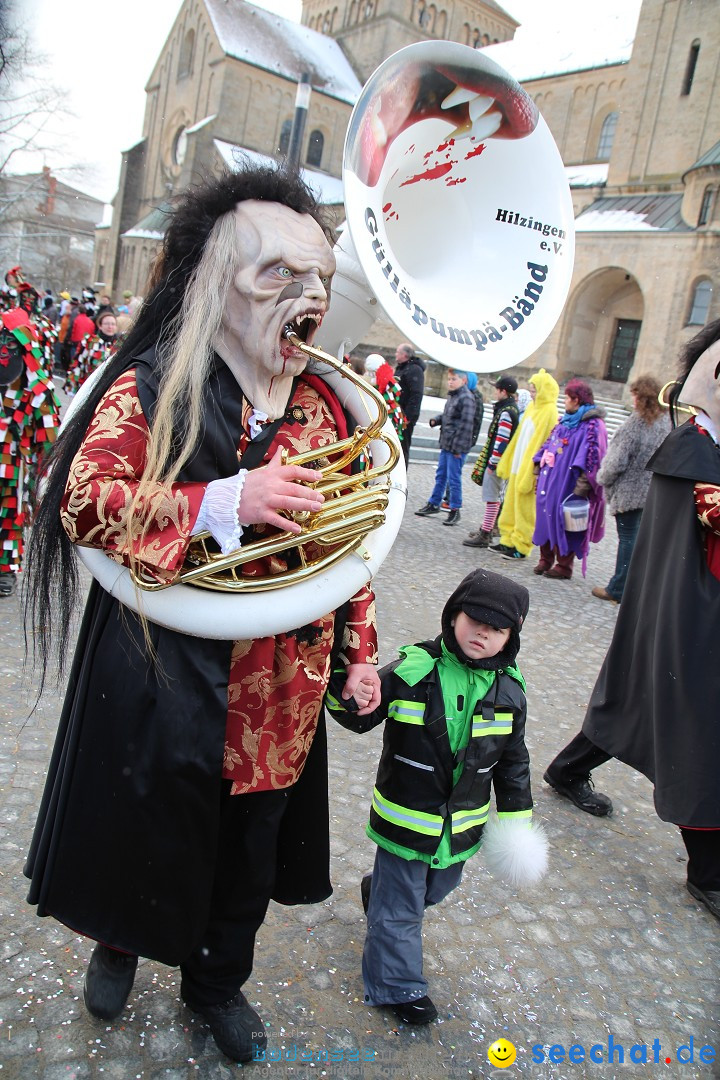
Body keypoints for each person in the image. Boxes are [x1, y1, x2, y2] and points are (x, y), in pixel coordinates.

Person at [23, 163, 382, 1063]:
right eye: (279, 277)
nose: (308, 299)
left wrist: (359, 658)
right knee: (143, 818)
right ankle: (118, 943)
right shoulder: (153, 381)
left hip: (279, 690)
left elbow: (353, 546)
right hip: (162, 670)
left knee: (245, 850)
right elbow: (82, 497)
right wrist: (222, 499)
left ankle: (217, 983)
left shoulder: (330, 408)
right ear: (214, 281)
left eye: (320, 282)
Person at [544, 319, 720, 921]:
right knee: (697, 737)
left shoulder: (703, 448)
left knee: (635, 706)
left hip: (684, 619)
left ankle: (567, 769)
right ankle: (709, 872)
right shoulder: (697, 452)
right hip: (690, 625)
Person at [327, 568, 540, 1024]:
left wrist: (519, 819)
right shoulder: (414, 669)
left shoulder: (511, 693)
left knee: (437, 888)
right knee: (401, 910)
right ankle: (396, 986)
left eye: (497, 628)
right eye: (474, 619)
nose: (482, 633)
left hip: (461, 828)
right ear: (452, 615)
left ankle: (377, 895)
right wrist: (344, 690)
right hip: (406, 822)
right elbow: (362, 715)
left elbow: (513, 762)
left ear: (511, 637)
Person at [591, 375, 670, 603]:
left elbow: (616, 462)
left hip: (629, 491)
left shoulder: (635, 424)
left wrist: (602, 477)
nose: (632, 399)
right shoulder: (665, 422)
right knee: (639, 541)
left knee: (628, 542)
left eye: (634, 394)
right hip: (651, 490)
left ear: (641, 396)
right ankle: (634, 586)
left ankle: (618, 588)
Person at [0, 304, 60, 597]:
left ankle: (5, 570)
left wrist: (44, 481)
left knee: (9, 516)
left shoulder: (38, 389)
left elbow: (48, 441)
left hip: (14, 465)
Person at [532, 378, 607, 580]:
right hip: (551, 480)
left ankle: (564, 565)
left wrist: (582, 486)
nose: (564, 401)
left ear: (576, 400)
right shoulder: (565, 420)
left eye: (567, 397)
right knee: (545, 517)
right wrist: (540, 461)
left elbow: (594, 458)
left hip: (569, 483)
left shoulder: (593, 426)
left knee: (565, 521)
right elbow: (550, 444)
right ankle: (545, 558)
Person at [492, 369, 560, 561]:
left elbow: (542, 444)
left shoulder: (549, 411)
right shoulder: (532, 408)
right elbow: (519, 436)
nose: (531, 393)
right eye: (531, 390)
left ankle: (522, 545)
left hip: (527, 468)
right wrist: (507, 459)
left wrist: (531, 470)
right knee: (510, 505)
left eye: (535, 390)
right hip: (517, 464)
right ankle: (507, 539)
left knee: (525, 509)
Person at [464, 375, 520, 548]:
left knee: (492, 498)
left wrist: (493, 463)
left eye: (497, 389)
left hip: (497, 462)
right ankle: (486, 528)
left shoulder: (506, 412)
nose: (495, 392)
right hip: (499, 461)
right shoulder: (510, 409)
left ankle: (486, 533)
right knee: (493, 498)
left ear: (503, 391)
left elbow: (501, 440)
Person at [415, 368, 476, 526]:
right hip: (447, 444)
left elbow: (466, 425)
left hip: (456, 447)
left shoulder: (467, 398)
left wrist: (457, 449)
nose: (450, 382)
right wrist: (437, 420)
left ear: (463, 381)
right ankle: (434, 503)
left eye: (453, 379)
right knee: (441, 475)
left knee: (454, 479)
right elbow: (450, 416)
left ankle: (455, 509)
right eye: (449, 379)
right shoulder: (454, 396)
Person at [64, 310, 118, 395]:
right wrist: (73, 384)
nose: (110, 326)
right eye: (107, 323)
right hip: (88, 386)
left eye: (113, 324)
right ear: (100, 325)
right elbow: (78, 363)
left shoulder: (119, 345)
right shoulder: (89, 341)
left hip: (108, 389)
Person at [394, 342, 425, 466]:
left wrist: (408, 416)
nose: (395, 354)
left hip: (405, 417)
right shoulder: (402, 367)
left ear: (405, 355)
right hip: (396, 414)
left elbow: (416, 395)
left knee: (402, 448)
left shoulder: (414, 370)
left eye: (398, 352)